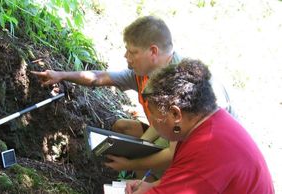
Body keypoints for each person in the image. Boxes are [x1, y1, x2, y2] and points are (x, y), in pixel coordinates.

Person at [31, 16, 233, 176]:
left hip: (199, 151)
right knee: (123, 128)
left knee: (143, 160)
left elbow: (174, 151)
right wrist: (61, 75)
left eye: (131, 52)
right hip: (167, 130)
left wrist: (133, 161)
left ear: (152, 51)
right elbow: (100, 77)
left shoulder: (180, 83)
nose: (126, 57)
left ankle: (146, 180)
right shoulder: (143, 72)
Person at [125, 58, 274, 194]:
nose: (151, 120)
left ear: (176, 115)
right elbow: (184, 178)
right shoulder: (209, 122)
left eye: (153, 114)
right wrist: (153, 186)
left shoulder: (207, 149)